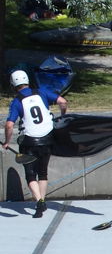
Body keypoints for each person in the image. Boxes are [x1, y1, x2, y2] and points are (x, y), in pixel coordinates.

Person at [3, 69, 68, 218]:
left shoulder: (17, 101)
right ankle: (42, 201)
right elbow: (63, 102)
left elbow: (9, 125)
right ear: (27, 81)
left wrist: (6, 142)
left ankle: (39, 201)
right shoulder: (41, 92)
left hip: (29, 141)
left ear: (13, 85)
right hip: (47, 139)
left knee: (30, 174)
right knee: (43, 172)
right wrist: (62, 117)